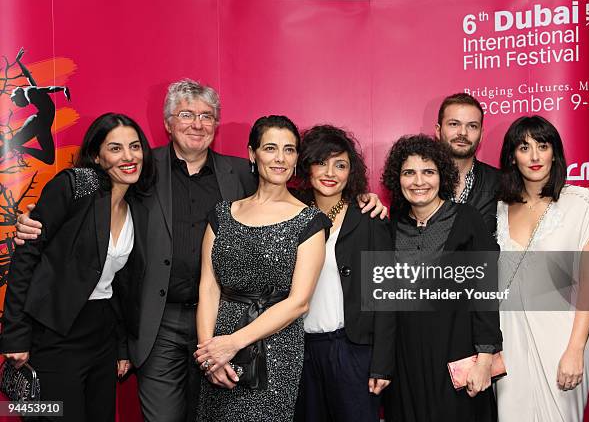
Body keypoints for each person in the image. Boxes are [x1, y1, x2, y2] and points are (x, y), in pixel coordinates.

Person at [13, 79, 386, 422]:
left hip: (234, 325)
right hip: (158, 322)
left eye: (206, 116)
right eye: (186, 115)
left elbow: (288, 201)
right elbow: (88, 196)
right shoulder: (141, 167)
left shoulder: (240, 172)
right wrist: (35, 223)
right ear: (168, 123)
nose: (197, 123)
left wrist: (361, 199)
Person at [0, 113, 155, 421]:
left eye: (135, 146)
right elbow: (26, 256)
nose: (128, 156)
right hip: (55, 333)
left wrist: (122, 346)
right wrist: (15, 335)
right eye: (116, 148)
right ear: (97, 156)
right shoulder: (74, 186)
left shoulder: (137, 205)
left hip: (102, 335)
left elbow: (122, 285)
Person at [192, 115, 330, 421]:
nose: (280, 158)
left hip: (276, 350)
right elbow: (208, 287)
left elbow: (298, 302)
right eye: (270, 148)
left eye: (289, 150)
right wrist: (209, 355)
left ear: (296, 159)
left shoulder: (310, 222)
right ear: (253, 154)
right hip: (217, 343)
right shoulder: (222, 214)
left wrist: (233, 343)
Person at [381, 134, 502, 422]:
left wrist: (485, 360)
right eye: (409, 172)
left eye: (428, 172)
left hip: (457, 356)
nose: (418, 181)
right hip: (405, 362)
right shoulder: (391, 225)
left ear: (442, 176)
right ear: (397, 179)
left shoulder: (467, 220)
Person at [495, 116, 589, 421]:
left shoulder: (579, 203)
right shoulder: (500, 207)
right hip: (510, 339)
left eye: (542, 146)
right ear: (512, 157)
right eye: (524, 147)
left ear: (554, 152)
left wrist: (575, 349)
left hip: (563, 337)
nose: (534, 156)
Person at [292, 125, 395, 422]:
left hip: (353, 352)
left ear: (352, 172)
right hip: (302, 353)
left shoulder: (369, 219)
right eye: (321, 162)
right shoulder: (291, 216)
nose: (330, 172)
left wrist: (382, 365)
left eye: (340, 165)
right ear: (306, 166)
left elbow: (387, 298)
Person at [434, 93, 499, 233]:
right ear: (438, 131)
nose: (463, 133)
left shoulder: (500, 182)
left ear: (481, 134)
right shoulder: (418, 183)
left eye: (472, 126)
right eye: (454, 124)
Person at [1, 48, 71, 165]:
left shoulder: (30, 92)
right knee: (11, 144)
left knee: (49, 159)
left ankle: (20, 147)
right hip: (39, 124)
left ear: (19, 95)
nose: (18, 105)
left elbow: (48, 89)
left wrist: (63, 89)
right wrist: (19, 62)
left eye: (16, 102)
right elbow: (28, 76)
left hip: (41, 125)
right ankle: (17, 146)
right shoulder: (32, 92)